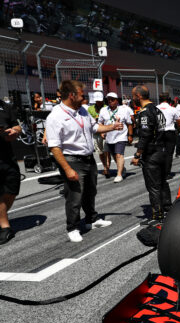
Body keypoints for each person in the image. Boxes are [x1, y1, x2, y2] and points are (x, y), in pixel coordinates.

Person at [45, 80, 123, 242]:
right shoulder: (55, 116)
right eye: (82, 95)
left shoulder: (83, 111)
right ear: (72, 96)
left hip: (89, 159)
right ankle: (72, 227)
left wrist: (112, 127)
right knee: (74, 196)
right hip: (72, 160)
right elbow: (54, 147)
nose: (85, 98)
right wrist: (67, 169)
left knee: (90, 191)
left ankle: (91, 220)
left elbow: (94, 128)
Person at [130, 85, 170, 226]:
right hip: (161, 151)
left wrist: (137, 154)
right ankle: (167, 209)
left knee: (153, 186)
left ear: (138, 96)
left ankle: (157, 215)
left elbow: (145, 135)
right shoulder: (158, 110)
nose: (132, 98)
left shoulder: (145, 112)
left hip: (151, 154)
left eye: (133, 96)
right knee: (162, 182)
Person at [0, 99, 22, 244]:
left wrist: (15, 131)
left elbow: (17, 126)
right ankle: (5, 226)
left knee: (13, 188)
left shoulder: (5, 106)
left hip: (7, 157)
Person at [98, 92, 133, 183]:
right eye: (108, 99)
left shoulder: (124, 110)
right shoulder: (103, 110)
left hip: (121, 136)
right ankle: (122, 169)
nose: (110, 101)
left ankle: (119, 174)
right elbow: (100, 122)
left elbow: (129, 124)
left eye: (112, 99)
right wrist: (102, 131)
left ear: (117, 101)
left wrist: (130, 135)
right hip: (109, 137)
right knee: (113, 155)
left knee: (119, 155)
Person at [157, 92, 180, 178]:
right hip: (170, 132)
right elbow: (179, 122)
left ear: (160, 99)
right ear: (168, 99)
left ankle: (159, 172)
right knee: (169, 154)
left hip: (159, 132)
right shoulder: (173, 109)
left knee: (159, 152)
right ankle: (167, 173)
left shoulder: (156, 108)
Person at [88, 91, 110, 178]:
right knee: (100, 151)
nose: (99, 102)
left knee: (106, 151)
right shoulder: (90, 109)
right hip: (96, 132)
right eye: (97, 101)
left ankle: (107, 167)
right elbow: (88, 120)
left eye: (100, 100)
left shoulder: (106, 107)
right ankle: (105, 166)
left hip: (105, 131)